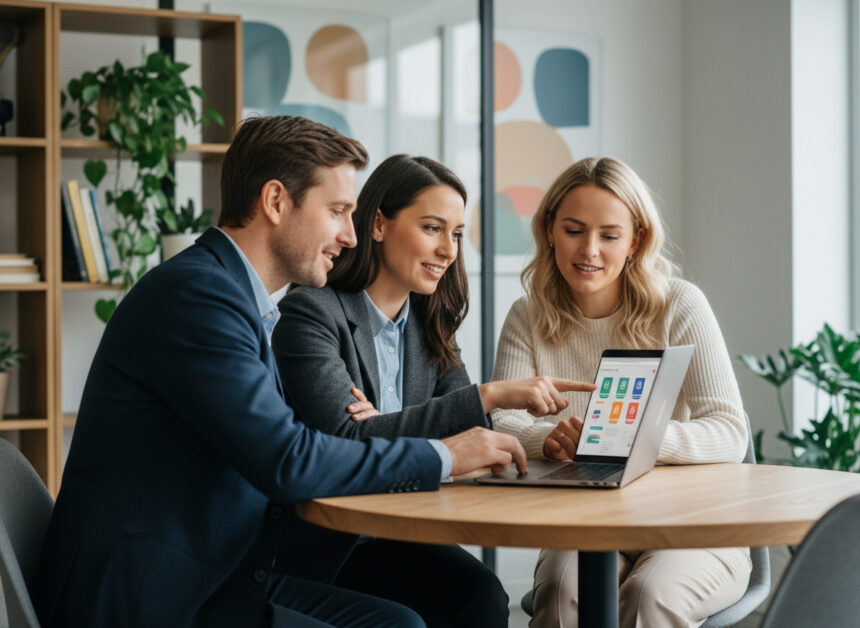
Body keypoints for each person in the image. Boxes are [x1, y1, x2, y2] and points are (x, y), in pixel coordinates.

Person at [32, 116, 531, 628]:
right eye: (337, 211)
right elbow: (289, 459)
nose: (350, 236)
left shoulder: (237, 299)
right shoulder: (199, 296)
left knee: (419, 615)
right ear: (275, 202)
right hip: (149, 592)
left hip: (216, 573)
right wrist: (443, 454)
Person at [272, 153, 595, 628]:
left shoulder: (429, 324)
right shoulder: (311, 313)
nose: (449, 250)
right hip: (335, 544)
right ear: (378, 224)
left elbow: (471, 439)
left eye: (457, 234)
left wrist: (385, 426)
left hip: (405, 530)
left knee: (484, 597)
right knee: (423, 614)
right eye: (432, 228)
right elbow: (345, 439)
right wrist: (487, 396)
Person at [491, 157, 752, 628]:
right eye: (573, 230)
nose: (589, 250)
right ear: (549, 230)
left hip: (693, 525)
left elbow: (730, 431)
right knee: (561, 595)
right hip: (587, 524)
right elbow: (503, 422)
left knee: (648, 598)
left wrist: (633, 438)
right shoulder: (527, 315)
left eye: (609, 236)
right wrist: (548, 439)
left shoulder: (680, 304)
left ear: (636, 241)